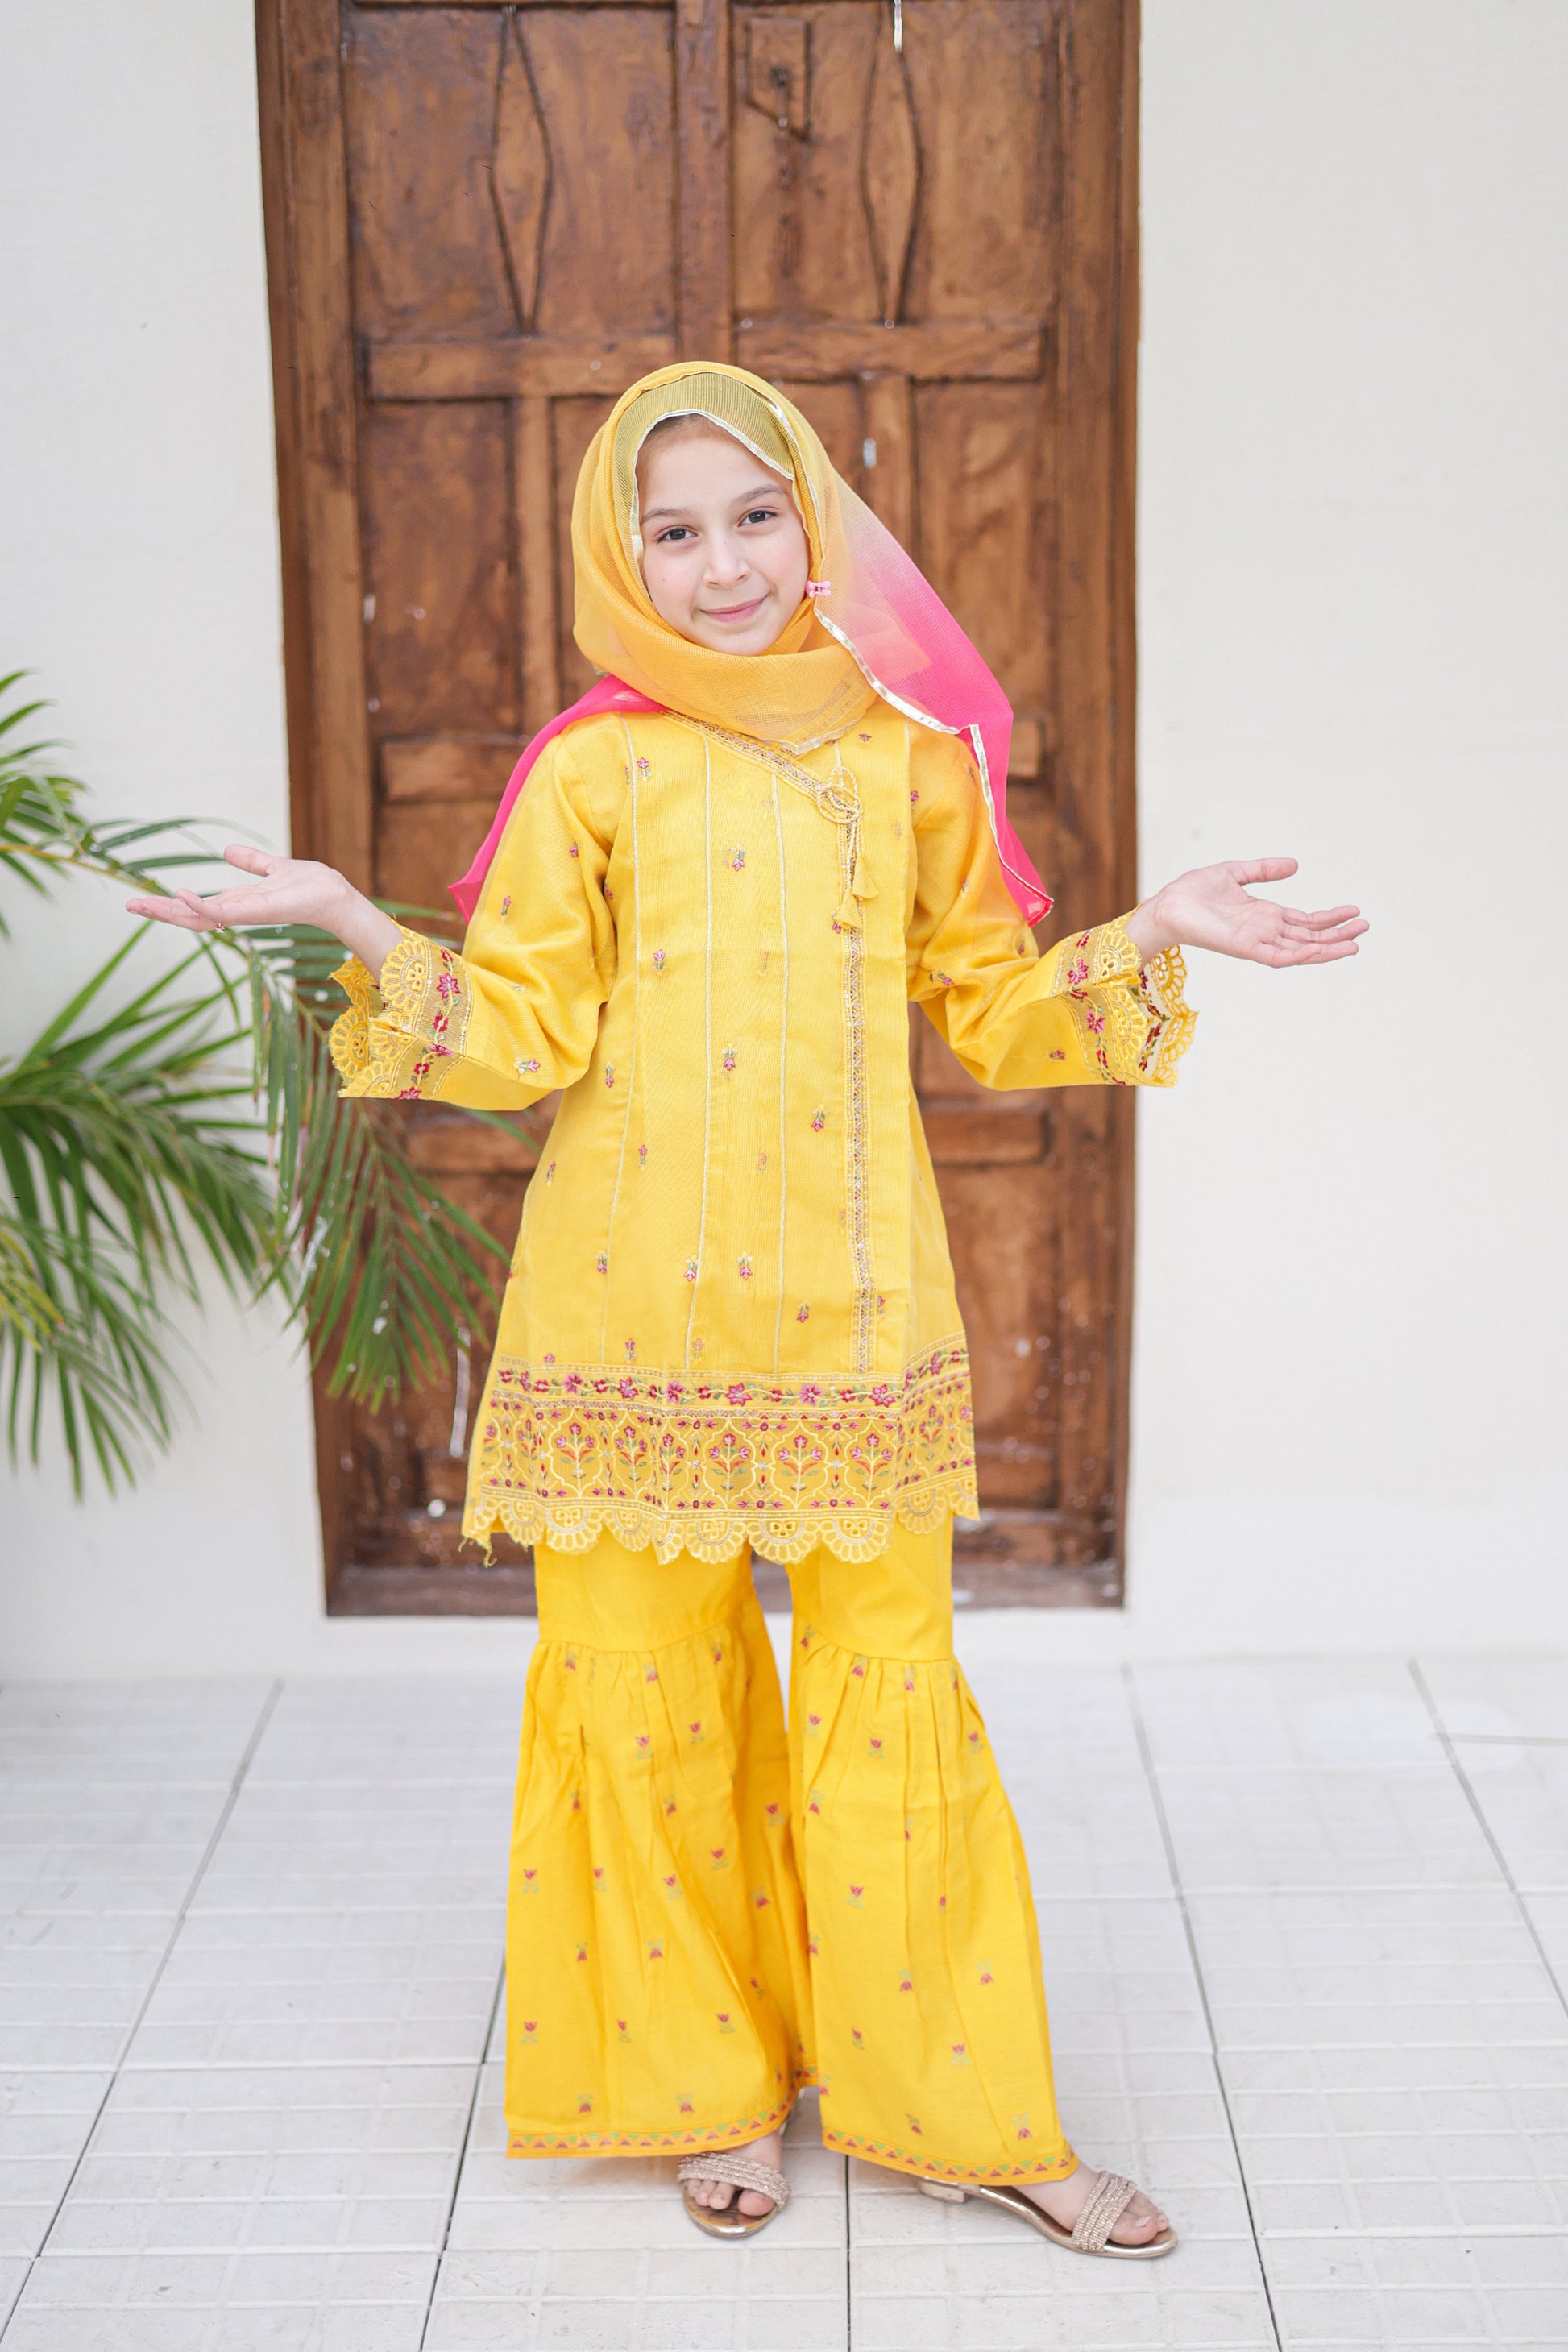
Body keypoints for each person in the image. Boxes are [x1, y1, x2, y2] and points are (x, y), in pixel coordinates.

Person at [131, 363, 1363, 2257]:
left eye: (754, 515)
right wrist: (360, 924)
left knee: (889, 1705)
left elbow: (999, 1012)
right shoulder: (592, 766)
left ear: (820, 517)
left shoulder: (910, 749)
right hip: (619, 1323)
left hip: (855, 1321)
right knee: (642, 1699)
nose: (721, 564)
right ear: (621, 557)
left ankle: (974, 2110)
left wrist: (1155, 934)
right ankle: (702, 2082)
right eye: (673, 531)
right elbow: (523, 1039)